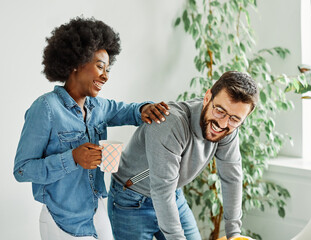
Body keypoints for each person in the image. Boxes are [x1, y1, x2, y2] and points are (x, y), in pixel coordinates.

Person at [13, 17, 169, 240]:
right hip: (62, 220)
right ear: (76, 62)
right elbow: (22, 170)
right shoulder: (45, 108)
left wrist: (146, 108)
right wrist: (73, 158)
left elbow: (128, 110)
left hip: (96, 209)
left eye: (107, 69)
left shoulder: (98, 107)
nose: (105, 76)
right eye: (99, 66)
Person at [109, 71, 259, 240]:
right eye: (219, 111)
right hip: (132, 200)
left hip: (173, 194)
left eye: (235, 118)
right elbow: (161, 191)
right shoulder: (170, 123)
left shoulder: (229, 127)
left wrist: (234, 234)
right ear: (207, 97)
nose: (223, 123)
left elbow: (232, 178)